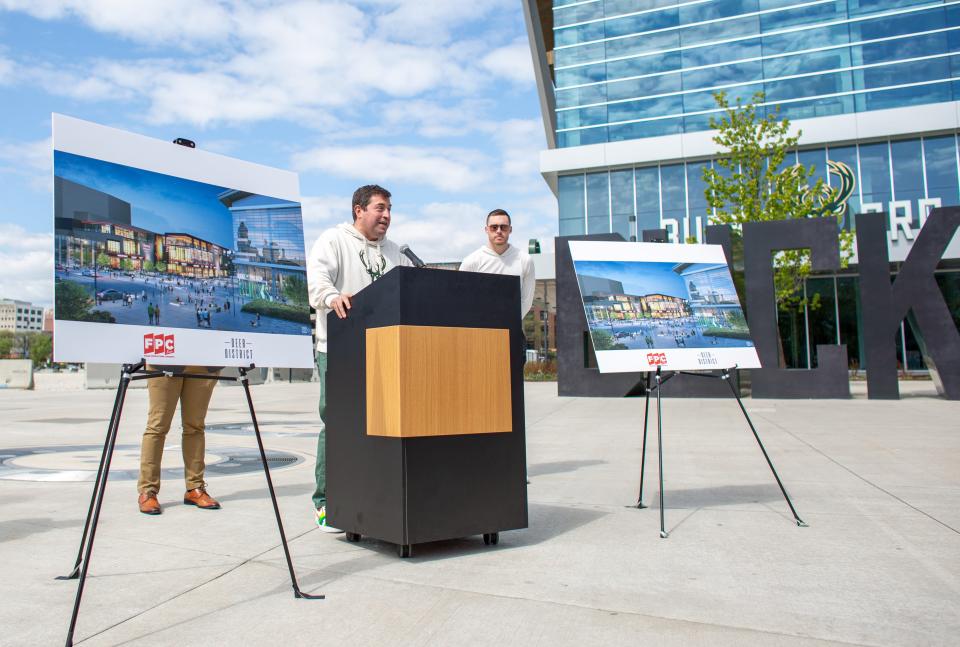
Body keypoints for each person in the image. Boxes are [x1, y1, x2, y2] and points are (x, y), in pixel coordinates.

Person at [306, 184, 411, 532]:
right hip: (339, 351)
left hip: (386, 353)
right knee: (337, 425)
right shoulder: (333, 240)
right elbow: (317, 280)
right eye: (380, 208)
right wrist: (332, 296)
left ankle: (370, 494)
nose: (386, 215)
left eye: (389, 208)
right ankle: (325, 502)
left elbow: (410, 288)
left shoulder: (396, 252)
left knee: (382, 426)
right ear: (358, 210)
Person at [137, 365, 222, 514]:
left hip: (202, 362)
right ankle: (148, 490)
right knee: (157, 426)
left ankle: (194, 487)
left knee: (195, 427)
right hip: (165, 357)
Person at [459, 208, 536, 318]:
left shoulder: (525, 260)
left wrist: (510, 322)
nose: (499, 231)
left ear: (510, 229)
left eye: (503, 227)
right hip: (479, 330)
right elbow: (462, 300)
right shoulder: (471, 262)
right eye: (494, 227)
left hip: (512, 329)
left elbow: (526, 301)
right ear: (486, 230)